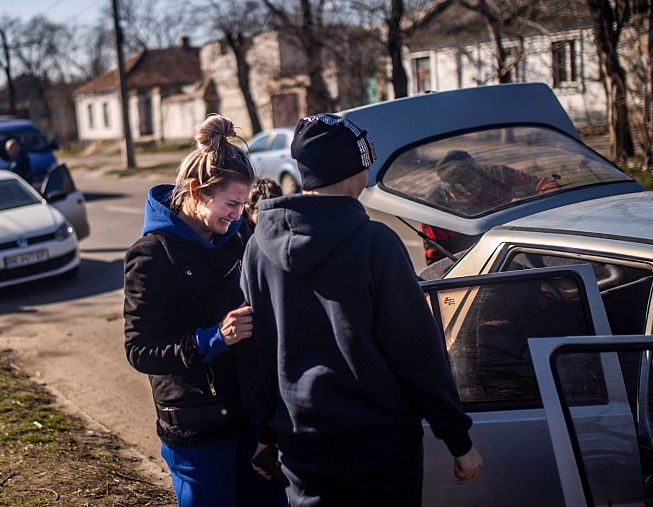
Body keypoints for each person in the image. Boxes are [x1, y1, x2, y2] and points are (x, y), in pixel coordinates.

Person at [237, 113, 483, 506]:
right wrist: (457, 438)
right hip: (380, 446)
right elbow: (416, 351)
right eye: (363, 166)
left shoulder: (256, 248)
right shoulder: (376, 243)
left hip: (302, 445)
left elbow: (256, 352)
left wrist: (266, 432)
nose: (367, 178)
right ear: (351, 169)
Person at [123, 114, 288, 507]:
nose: (237, 214)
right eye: (231, 203)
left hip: (252, 421)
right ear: (197, 191)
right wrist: (214, 338)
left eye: (243, 204)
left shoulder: (239, 238)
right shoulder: (151, 256)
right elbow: (140, 351)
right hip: (196, 429)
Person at [421, 149, 559, 265]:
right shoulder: (436, 209)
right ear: (447, 189)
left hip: (509, 235)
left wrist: (552, 213)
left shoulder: (499, 174)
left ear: (480, 174)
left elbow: (543, 185)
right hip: (467, 255)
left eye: (472, 185)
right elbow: (436, 258)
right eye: (459, 191)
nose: (468, 194)